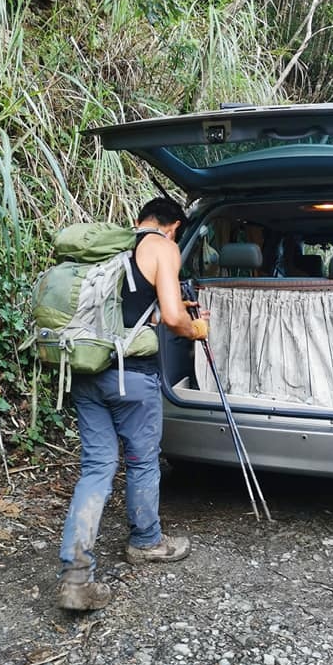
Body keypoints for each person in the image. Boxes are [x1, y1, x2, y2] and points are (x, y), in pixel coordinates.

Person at [57, 197, 209, 612]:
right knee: (142, 459)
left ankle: (75, 577)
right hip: (131, 378)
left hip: (87, 369)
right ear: (173, 225)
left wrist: (164, 313)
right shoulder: (162, 246)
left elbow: (131, 312)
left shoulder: (115, 248)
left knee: (96, 467)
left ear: (141, 218)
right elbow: (176, 319)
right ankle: (145, 541)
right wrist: (196, 329)